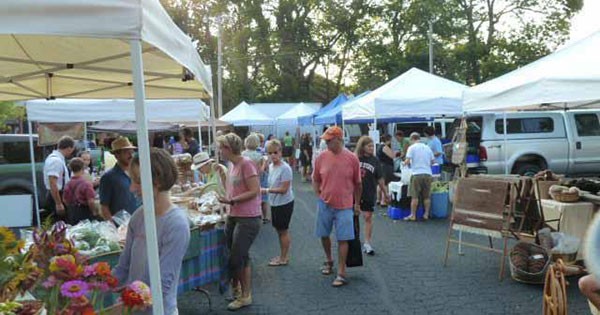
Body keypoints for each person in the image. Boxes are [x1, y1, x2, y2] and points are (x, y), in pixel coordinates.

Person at [113, 148, 190, 315]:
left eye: (138, 181)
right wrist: (91, 286)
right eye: (132, 180)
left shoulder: (176, 223)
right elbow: (123, 267)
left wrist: (119, 309)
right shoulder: (139, 216)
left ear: (158, 181)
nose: (132, 188)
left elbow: (161, 284)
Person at [216, 133, 261, 311]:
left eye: (221, 148)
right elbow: (233, 188)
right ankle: (240, 291)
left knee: (238, 257)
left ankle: (245, 295)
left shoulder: (246, 163)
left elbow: (255, 190)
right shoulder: (232, 165)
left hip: (248, 217)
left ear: (229, 148)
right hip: (234, 215)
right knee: (239, 256)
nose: (219, 151)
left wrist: (232, 201)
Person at [312, 126, 361, 287]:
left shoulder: (352, 158)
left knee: (343, 238)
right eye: (325, 140)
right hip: (325, 203)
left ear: (339, 139)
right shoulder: (321, 157)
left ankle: (341, 271)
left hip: (345, 205)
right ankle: (328, 260)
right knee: (323, 234)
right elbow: (316, 178)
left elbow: (358, 183)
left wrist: (357, 203)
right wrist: (318, 195)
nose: (326, 143)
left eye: (329, 140)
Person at [261, 139, 294, 266]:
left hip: (284, 203)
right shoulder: (270, 166)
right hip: (275, 203)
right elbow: (264, 173)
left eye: (275, 152)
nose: (273, 155)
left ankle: (284, 257)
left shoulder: (285, 168)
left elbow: (284, 189)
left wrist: (266, 190)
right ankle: (282, 255)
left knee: (283, 230)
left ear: (280, 152)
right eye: (270, 153)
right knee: (279, 230)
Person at [355, 136, 389, 256]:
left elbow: (380, 178)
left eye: (372, 146)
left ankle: (367, 242)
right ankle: (353, 241)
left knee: (368, 217)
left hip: (369, 192)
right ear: (362, 146)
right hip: (353, 193)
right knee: (353, 217)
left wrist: (385, 193)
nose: (371, 148)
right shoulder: (355, 158)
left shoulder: (375, 160)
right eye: (368, 146)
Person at [99, 137, 139, 223]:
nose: (131, 155)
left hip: (139, 222)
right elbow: (104, 206)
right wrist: (112, 227)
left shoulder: (137, 173)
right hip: (121, 226)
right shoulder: (108, 177)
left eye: (131, 151)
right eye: (126, 152)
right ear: (117, 155)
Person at [43, 135, 75, 222]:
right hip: (56, 196)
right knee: (60, 224)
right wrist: (58, 203)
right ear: (69, 148)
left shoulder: (58, 159)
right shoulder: (55, 161)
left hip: (59, 194)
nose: (72, 152)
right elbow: (53, 182)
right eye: (72, 149)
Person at [404, 132, 435, 221]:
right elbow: (433, 162)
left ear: (412, 139)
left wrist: (405, 163)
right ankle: (426, 214)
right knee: (426, 196)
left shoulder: (411, 148)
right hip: (428, 174)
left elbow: (407, 161)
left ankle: (413, 215)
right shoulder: (427, 147)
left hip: (416, 174)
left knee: (415, 196)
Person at [242, 133, 269, 224]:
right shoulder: (259, 156)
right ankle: (264, 218)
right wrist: (265, 163)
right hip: (258, 179)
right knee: (263, 200)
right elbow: (261, 170)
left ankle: (251, 216)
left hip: (246, 179)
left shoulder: (242, 155)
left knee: (249, 198)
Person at [63, 158, 96, 224]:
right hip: (84, 212)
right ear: (83, 169)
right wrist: (94, 212)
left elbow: (65, 200)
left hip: (72, 212)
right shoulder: (86, 184)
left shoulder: (68, 184)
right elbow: (91, 201)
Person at [376, 134, 396, 206]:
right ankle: (383, 201)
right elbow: (392, 156)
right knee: (386, 184)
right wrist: (394, 153)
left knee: (380, 184)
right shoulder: (385, 147)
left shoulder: (378, 146)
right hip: (386, 167)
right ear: (388, 140)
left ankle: (378, 199)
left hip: (380, 166)